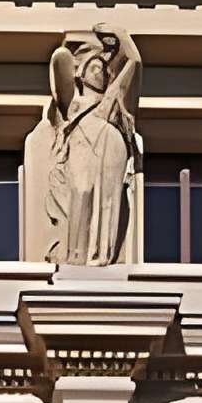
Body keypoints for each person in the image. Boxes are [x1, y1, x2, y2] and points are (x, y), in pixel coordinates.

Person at [46, 25, 141, 266]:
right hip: (83, 143)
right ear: (82, 73)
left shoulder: (114, 99)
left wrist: (120, 36)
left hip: (110, 145)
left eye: (105, 69)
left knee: (109, 201)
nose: (103, 72)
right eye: (96, 67)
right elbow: (60, 70)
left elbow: (134, 62)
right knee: (81, 191)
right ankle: (76, 255)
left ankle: (101, 257)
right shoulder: (75, 102)